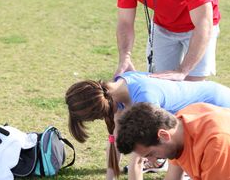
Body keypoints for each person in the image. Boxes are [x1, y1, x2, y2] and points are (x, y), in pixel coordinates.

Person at [65, 71, 230, 179]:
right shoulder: (116, 89)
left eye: (97, 118)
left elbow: (137, 161)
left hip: (216, 107)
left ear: (103, 109)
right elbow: (115, 141)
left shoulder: (145, 99)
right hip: (196, 116)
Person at [117, 102, 230, 180]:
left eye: (151, 154)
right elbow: (173, 177)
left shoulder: (216, 143)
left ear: (163, 135)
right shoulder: (177, 130)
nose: (151, 161)